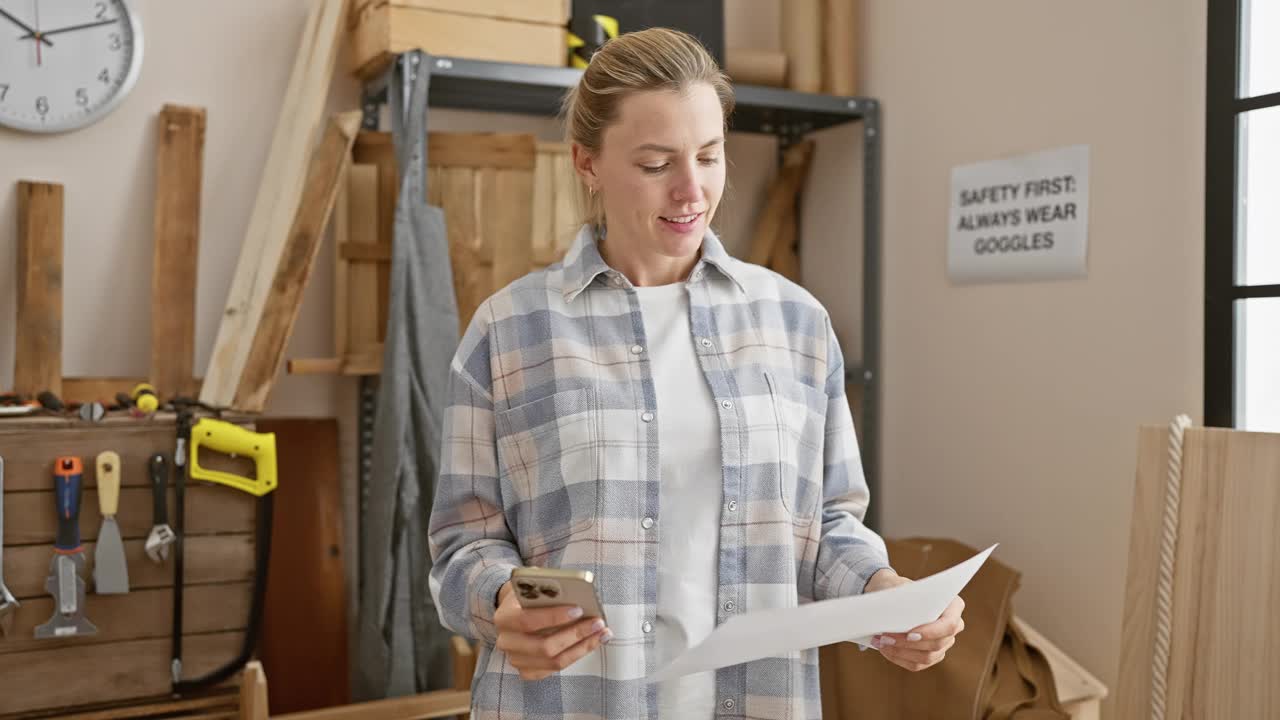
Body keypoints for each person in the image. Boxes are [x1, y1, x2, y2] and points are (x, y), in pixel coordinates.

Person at [428, 27, 965, 719]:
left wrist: (885, 594)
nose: (692, 189)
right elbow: (461, 545)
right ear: (586, 161)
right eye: (656, 163)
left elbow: (825, 524)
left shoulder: (795, 324)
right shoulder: (508, 332)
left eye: (710, 157)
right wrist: (501, 599)